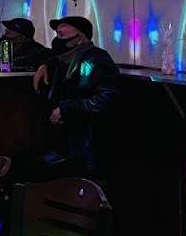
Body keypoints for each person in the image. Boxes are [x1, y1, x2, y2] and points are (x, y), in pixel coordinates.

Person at [32, 16, 121, 178]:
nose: (57, 41)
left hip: (85, 150)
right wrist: (45, 64)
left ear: (80, 38)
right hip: (67, 144)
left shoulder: (96, 59)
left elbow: (106, 100)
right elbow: (51, 57)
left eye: (62, 35)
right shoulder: (66, 60)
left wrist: (65, 109)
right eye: (57, 35)